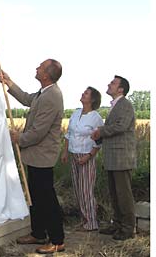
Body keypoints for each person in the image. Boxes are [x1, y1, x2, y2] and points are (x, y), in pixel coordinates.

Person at [0, 59, 65, 255]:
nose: (36, 68)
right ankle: (38, 232)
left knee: (46, 199)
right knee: (34, 195)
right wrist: (9, 82)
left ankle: (57, 240)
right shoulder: (43, 94)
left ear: (46, 75)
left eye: (40, 67)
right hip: (35, 156)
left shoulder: (52, 95)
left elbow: (39, 131)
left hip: (42, 156)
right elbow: (28, 99)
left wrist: (19, 138)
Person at [91, 75, 137, 241]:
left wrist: (101, 131)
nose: (109, 84)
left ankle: (128, 228)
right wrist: (99, 135)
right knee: (115, 193)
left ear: (121, 89)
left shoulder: (125, 104)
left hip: (121, 157)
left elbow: (121, 126)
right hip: (113, 157)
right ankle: (117, 223)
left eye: (113, 83)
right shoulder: (115, 105)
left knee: (123, 194)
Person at [61, 87, 104, 232]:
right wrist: (65, 152)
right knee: (78, 190)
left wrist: (89, 155)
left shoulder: (96, 117)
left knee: (86, 190)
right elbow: (69, 134)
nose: (82, 94)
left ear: (92, 99)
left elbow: (99, 141)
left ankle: (91, 222)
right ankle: (83, 220)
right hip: (74, 154)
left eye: (86, 93)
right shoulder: (76, 113)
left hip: (86, 156)